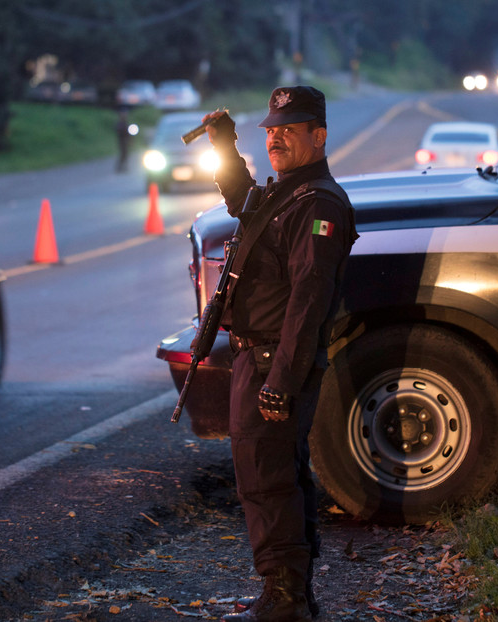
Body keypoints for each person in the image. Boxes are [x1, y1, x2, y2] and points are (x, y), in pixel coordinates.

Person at [202, 86, 356, 622]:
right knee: (276, 474)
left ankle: (285, 600)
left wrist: (282, 381)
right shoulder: (288, 194)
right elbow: (244, 203)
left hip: (275, 363)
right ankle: (292, 594)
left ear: (319, 135)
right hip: (259, 359)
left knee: (266, 478)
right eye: (271, 129)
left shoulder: (319, 205)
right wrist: (226, 147)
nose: (276, 138)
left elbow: (309, 300)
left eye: (289, 130)